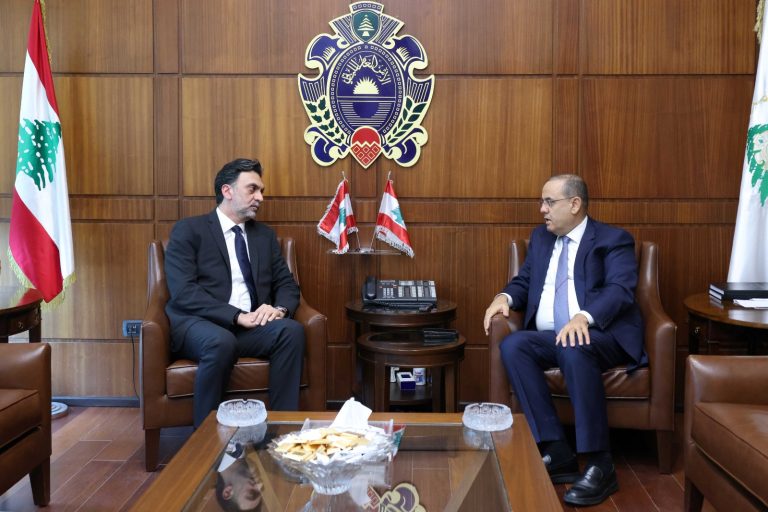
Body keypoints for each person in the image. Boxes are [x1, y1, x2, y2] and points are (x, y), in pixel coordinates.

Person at [482, 174, 645, 507]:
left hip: (601, 335)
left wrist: (583, 317)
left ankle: (600, 462)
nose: (542, 209)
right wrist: (504, 297)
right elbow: (525, 281)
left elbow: (620, 290)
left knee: (572, 344)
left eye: (549, 202)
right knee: (514, 345)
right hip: (554, 337)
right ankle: (557, 450)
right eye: (541, 202)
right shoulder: (541, 239)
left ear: (574, 204)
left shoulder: (613, 240)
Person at [165, 158, 305, 427]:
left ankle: (282, 429)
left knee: (291, 331)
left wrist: (279, 310)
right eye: (252, 189)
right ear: (227, 191)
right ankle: (205, 438)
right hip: (199, 325)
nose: (260, 197)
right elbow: (184, 292)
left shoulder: (263, 236)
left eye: (261, 190)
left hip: (248, 328)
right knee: (220, 342)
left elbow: (287, 284)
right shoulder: (189, 230)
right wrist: (236, 316)